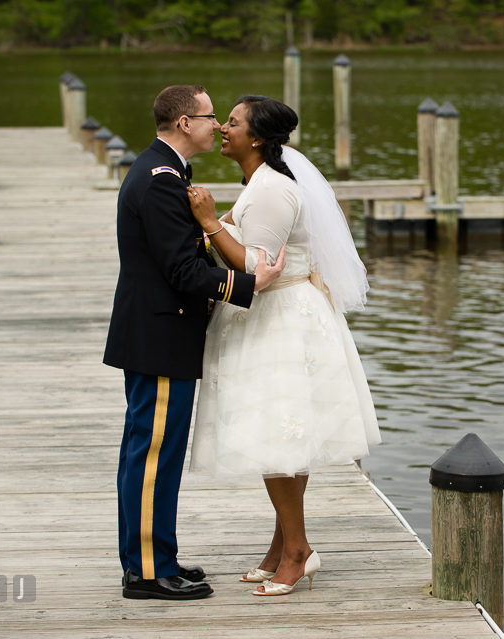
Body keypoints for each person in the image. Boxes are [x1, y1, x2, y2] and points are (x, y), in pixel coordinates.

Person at [186, 95, 381, 597]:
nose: (222, 129)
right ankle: (281, 547)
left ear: (256, 138)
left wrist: (209, 223)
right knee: (283, 440)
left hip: (280, 320)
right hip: (277, 316)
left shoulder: (272, 189)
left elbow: (257, 268)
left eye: (232, 122)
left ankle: (298, 551)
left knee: (276, 439)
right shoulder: (260, 183)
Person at [103, 85, 286, 601]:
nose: (219, 127)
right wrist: (250, 284)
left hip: (159, 333)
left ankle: (158, 556)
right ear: (185, 122)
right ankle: (145, 572)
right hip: (160, 335)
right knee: (153, 456)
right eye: (211, 117)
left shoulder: (166, 171)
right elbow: (182, 270)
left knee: (151, 452)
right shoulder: (161, 180)